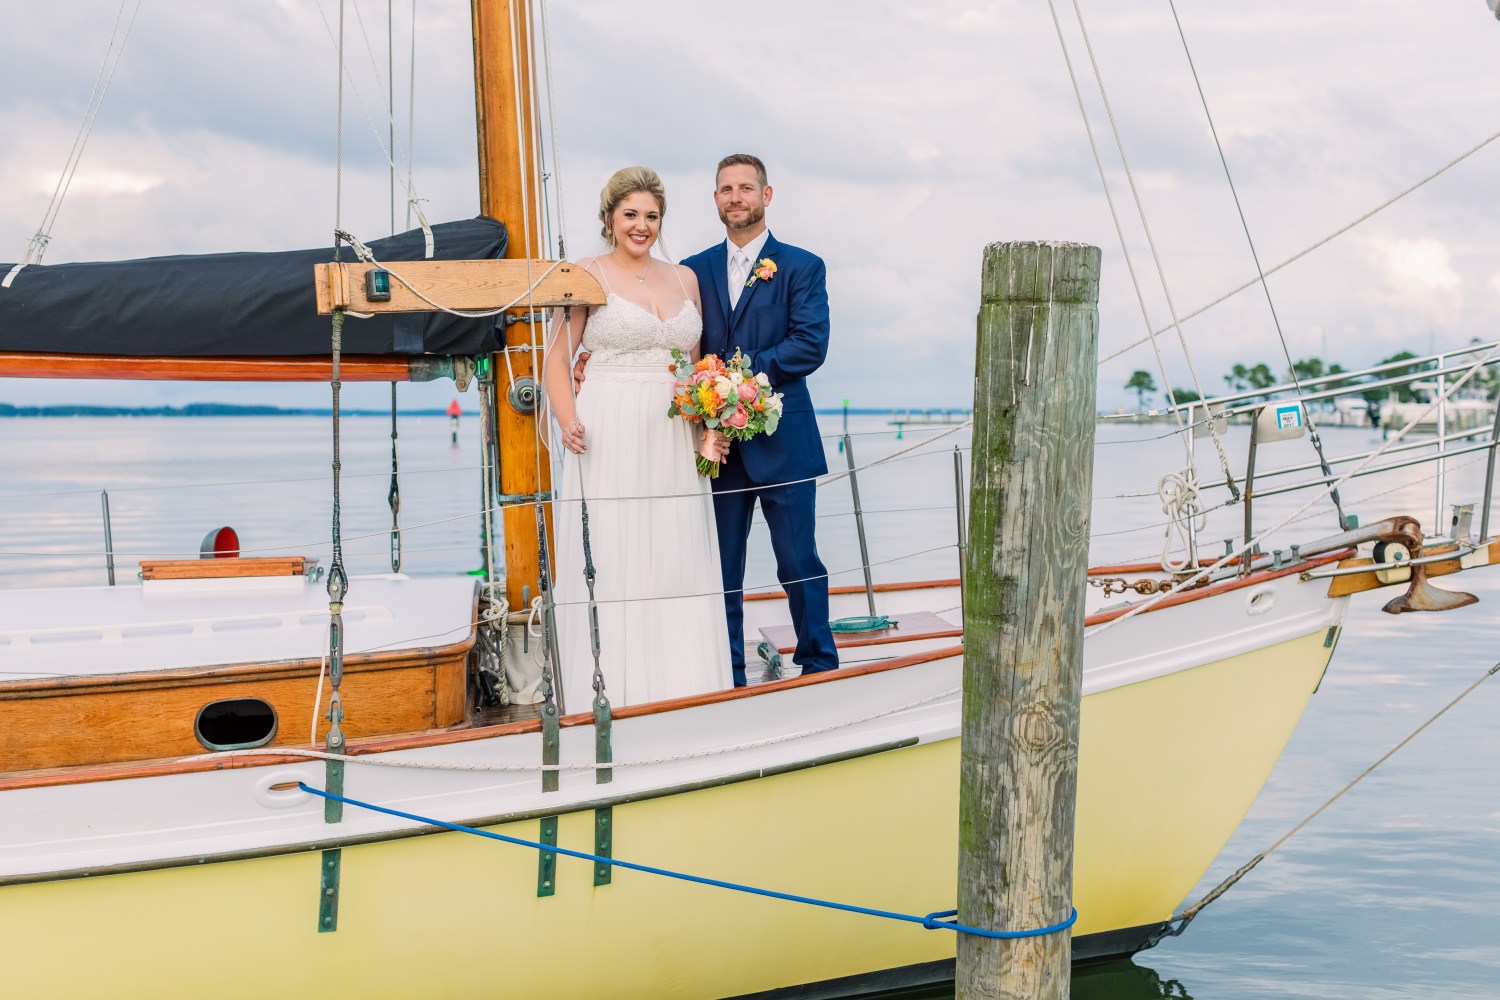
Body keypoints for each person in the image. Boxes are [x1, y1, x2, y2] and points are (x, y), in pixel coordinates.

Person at [542, 166, 732, 711]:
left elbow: (698, 367)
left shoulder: (685, 280)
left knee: (674, 552)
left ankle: (684, 686)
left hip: (674, 432)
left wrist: (710, 426)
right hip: (610, 426)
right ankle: (611, 690)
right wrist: (566, 418)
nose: (641, 226)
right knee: (616, 549)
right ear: (609, 218)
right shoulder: (585, 273)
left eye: (651, 216)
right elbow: (558, 358)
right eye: (631, 215)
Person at [681, 154, 838, 686]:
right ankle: (729, 672)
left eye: (746, 188)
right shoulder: (692, 270)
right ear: (716, 199)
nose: (736, 198)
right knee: (722, 569)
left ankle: (819, 662)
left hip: (783, 438)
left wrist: (740, 381)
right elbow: (680, 345)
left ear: (766, 196)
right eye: (726, 189)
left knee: (798, 561)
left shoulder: (801, 266)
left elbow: (809, 346)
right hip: (716, 447)